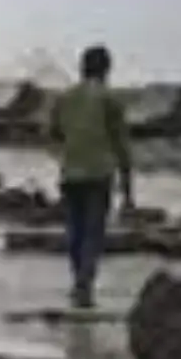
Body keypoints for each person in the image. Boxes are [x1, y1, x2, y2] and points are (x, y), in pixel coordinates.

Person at [48, 45, 134, 308]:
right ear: (107, 68)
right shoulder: (111, 99)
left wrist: (68, 149)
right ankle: (84, 286)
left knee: (75, 229)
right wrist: (128, 188)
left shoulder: (65, 98)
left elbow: (53, 132)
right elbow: (122, 145)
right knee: (93, 233)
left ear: (82, 67)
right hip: (99, 173)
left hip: (70, 172)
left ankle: (78, 281)